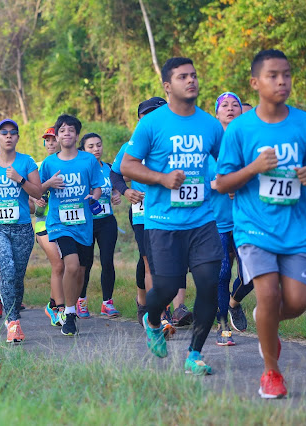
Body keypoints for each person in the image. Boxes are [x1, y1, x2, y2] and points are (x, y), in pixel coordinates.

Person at [121, 57, 224, 375]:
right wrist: (162, 179)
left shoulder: (210, 124)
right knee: (164, 289)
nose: (191, 81)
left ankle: (195, 354)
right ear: (168, 86)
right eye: (183, 77)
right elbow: (127, 166)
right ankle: (152, 321)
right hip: (163, 223)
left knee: (209, 283)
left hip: (203, 221)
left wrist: (229, 179)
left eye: (194, 75)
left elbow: (228, 161)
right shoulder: (152, 123)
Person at [216, 49, 306, 398]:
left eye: (286, 74)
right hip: (254, 227)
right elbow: (223, 184)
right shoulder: (240, 129)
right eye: (273, 75)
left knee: (298, 303)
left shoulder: (304, 123)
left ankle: (264, 319)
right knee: (268, 293)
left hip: (298, 228)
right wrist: (254, 168)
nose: (281, 81)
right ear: (255, 82)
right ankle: (272, 373)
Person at [110, 97, 191, 335]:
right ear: (139, 120)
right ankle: (160, 313)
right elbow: (115, 174)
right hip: (143, 213)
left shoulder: (177, 144)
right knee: (150, 262)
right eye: (148, 115)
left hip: (173, 211)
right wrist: (126, 191)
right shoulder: (131, 146)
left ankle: (165, 307)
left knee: (174, 260)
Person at [0, 119, 42, 343]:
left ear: (17, 138)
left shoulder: (26, 162)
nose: (8, 136)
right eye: (3, 133)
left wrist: (19, 179)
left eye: (13, 133)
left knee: (17, 276)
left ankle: (8, 310)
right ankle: (13, 322)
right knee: (8, 267)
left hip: (22, 227)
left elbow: (38, 191)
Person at [39, 115, 104, 336]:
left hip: (84, 223)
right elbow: (38, 190)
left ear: (76, 135)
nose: (66, 133)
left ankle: (72, 308)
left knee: (81, 272)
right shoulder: (49, 163)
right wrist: (49, 183)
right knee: (72, 266)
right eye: (62, 130)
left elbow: (97, 187)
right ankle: (68, 312)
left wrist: (94, 197)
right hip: (59, 224)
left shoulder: (88, 160)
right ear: (56, 136)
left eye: (71, 130)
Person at [209, 91, 253, 346]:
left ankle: (235, 303)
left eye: (235, 104)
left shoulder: (250, 142)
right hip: (218, 220)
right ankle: (222, 324)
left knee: (253, 273)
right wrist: (222, 184)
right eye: (224, 105)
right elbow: (200, 180)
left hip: (247, 219)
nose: (230, 108)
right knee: (223, 271)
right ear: (217, 113)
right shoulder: (209, 145)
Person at [79, 133, 122, 318]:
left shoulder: (109, 169)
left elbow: (115, 186)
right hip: (86, 222)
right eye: (91, 146)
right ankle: (81, 301)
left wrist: (116, 194)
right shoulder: (80, 170)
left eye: (98, 145)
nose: (96, 149)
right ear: (83, 150)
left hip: (107, 221)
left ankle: (107, 303)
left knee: (107, 261)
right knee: (85, 263)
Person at [30, 127, 65, 326]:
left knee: (66, 266)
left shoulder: (68, 164)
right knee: (58, 264)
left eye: (53, 139)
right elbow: (24, 191)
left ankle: (52, 305)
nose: (51, 143)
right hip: (43, 222)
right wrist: (35, 197)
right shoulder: (37, 166)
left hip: (64, 222)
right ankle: (59, 310)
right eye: (47, 140)